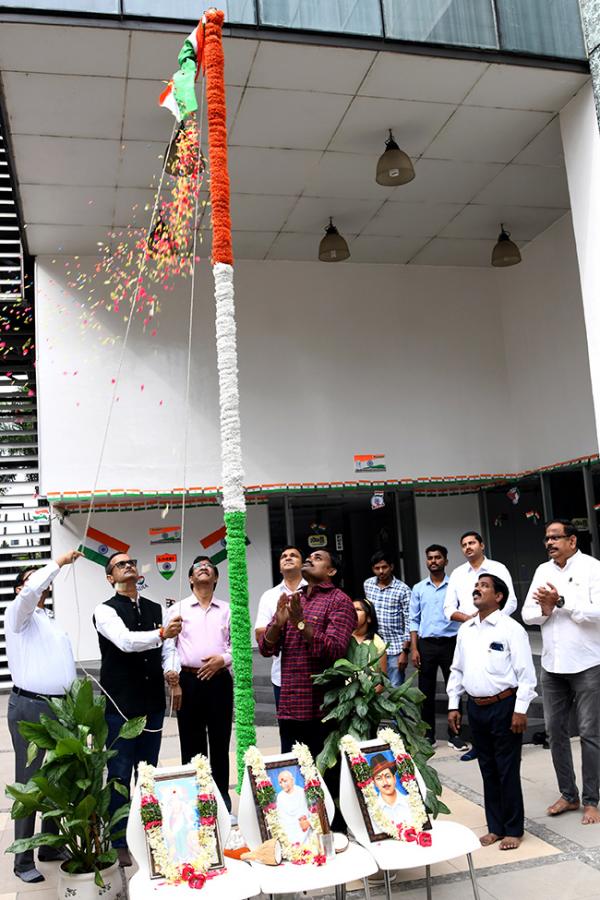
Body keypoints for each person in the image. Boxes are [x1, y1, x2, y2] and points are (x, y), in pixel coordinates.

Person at [93, 552, 182, 867]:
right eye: (120, 564)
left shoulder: (158, 608)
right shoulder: (104, 611)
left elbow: (169, 651)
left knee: (148, 772)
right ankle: (118, 839)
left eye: (131, 562)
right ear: (110, 578)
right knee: (119, 773)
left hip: (152, 703)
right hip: (120, 703)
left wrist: (172, 672)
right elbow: (126, 642)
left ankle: (150, 832)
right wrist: (160, 634)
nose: (128, 565)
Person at [6, 550, 82, 884]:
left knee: (58, 777)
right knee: (31, 782)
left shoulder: (47, 618)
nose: (43, 586)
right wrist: (57, 564)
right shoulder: (18, 613)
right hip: (31, 706)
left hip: (59, 706)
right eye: (33, 580)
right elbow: (30, 591)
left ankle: (49, 846)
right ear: (21, 589)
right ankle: (22, 859)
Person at [447, 574, 537, 850]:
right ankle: (494, 827)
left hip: (505, 706)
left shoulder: (511, 629)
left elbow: (526, 674)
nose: (477, 589)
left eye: (484, 586)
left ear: (498, 597)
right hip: (477, 708)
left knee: (507, 768)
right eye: (477, 586)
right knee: (487, 768)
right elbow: (457, 669)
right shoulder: (467, 629)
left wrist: (520, 710)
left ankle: (513, 829)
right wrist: (454, 704)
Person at [522, 519, 600, 826]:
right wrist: (545, 610)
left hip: (587, 663)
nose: (550, 543)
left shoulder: (592, 568)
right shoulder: (543, 571)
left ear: (572, 541)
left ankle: (592, 800)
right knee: (555, 733)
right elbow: (528, 613)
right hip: (552, 665)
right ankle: (569, 794)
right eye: (546, 539)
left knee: (591, 734)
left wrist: (562, 603)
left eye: (556, 538)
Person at [258, 549, 356, 759]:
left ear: (331, 571)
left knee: (323, 780)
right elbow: (266, 649)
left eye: (318, 558)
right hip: (290, 704)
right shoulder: (295, 600)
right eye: (310, 556)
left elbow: (335, 650)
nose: (310, 559)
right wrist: (277, 623)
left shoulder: (340, 601)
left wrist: (301, 623)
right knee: (292, 777)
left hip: (321, 708)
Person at [164, 555, 234, 812]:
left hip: (219, 681)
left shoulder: (228, 610)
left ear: (215, 578)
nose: (204, 568)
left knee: (220, 740)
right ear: (191, 578)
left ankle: (222, 800)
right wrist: (173, 679)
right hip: (189, 681)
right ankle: (194, 800)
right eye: (198, 567)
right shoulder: (177, 609)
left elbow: (237, 646)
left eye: (209, 567)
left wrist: (223, 660)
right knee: (191, 742)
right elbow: (169, 648)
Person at [444, 531, 518, 761]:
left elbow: (511, 601)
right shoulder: (457, 574)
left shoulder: (498, 568)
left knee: (496, 681)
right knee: (472, 680)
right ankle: (478, 744)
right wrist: (472, 621)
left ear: (482, 545)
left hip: (497, 634)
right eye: (463, 544)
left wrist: (489, 619)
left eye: (472, 542)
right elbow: (448, 609)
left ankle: (502, 741)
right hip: (469, 634)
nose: (468, 547)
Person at [410, 544, 466, 751]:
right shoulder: (418, 588)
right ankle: (428, 735)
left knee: (455, 689)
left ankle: (455, 735)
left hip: (451, 643)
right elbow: (413, 620)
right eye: (430, 558)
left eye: (438, 557)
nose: (433, 561)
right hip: (426, 645)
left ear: (445, 561)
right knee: (426, 692)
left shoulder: (455, 586)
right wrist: (414, 649)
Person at [254, 546, 307, 712]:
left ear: (303, 564)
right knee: (287, 731)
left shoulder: (315, 590)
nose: (288, 557)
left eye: (294, 555)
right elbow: (260, 635)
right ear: (279, 566)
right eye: (284, 556)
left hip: (315, 673)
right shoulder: (269, 596)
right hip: (282, 676)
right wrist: (278, 623)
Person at [364, 551, 411, 687]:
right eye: (377, 568)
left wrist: (405, 652)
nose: (381, 571)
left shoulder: (403, 590)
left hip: (395, 648)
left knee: (395, 689)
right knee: (373, 687)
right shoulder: (368, 584)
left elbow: (409, 621)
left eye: (384, 567)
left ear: (391, 567)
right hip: (373, 645)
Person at [369, 755, 411, 825]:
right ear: (375, 783)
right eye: (379, 778)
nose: (385, 782)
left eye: (388, 776)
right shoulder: (372, 810)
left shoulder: (411, 802)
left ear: (394, 778)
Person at [352, 598, 387, 679]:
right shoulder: (343, 638)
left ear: (369, 618)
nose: (353, 612)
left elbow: (380, 683)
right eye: (351, 609)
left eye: (358, 609)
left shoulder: (378, 643)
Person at [275, 770, 312, 844]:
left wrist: (307, 821)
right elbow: (280, 817)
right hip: (289, 830)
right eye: (280, 782)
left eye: (285, 781)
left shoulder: (301, 792)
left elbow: (309, 811)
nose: (282, 784)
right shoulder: (280, 797)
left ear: (292, 780)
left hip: (304, 828)